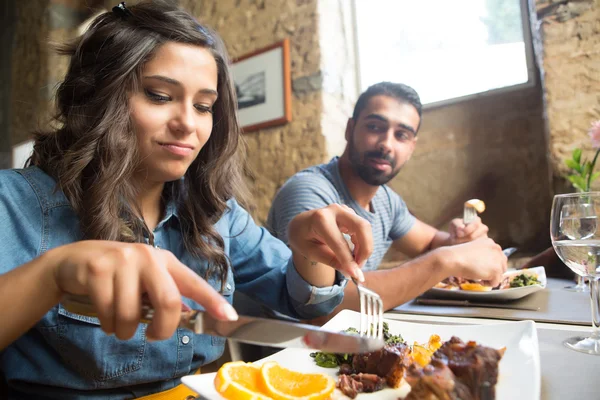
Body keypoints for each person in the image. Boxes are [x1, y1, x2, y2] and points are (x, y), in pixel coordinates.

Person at [0, 2, 373, 399]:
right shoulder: (16, 201)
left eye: (203, 106)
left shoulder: (217, 214)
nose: (188, 124)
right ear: (97, 97)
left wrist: (309, 250)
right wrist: (53, 274)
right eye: (159, 96)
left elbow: (304, 302)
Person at [267, 82, 508, 316]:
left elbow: (430, 242)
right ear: (350, 129)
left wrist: (461, 240)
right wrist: (447, 260)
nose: (386, 144)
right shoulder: (310, 190)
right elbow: (322, 306)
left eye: (401, 135)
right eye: (374, 127)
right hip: (292, 347)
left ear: (411, 147)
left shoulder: (386, 200)